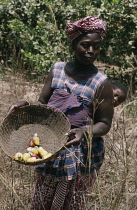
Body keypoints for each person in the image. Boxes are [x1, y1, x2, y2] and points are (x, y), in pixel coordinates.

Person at [8, 16, 114, 210]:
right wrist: (26, 105)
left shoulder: (100, 82)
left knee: (71, 203)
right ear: (74, 44)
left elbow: (104, 124)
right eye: (85, 45)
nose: (91, 51)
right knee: (42, 201)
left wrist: (83, 131)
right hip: (52, 148)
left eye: (96, 46)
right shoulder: (57, 70)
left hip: (81, 156)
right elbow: (42, 104)